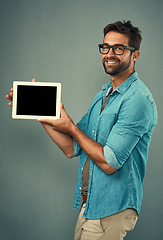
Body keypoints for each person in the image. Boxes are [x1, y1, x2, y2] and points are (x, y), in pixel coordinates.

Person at [6, 20, 157, 240]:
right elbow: (72, 147)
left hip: (113, 210)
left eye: (119, 48)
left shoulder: (137, 100)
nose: (109, 53)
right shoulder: (102, 96)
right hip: (90, 205)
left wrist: (72, 129)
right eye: (105, 47)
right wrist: (41, 114)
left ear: (135, 55)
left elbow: (110, 162)